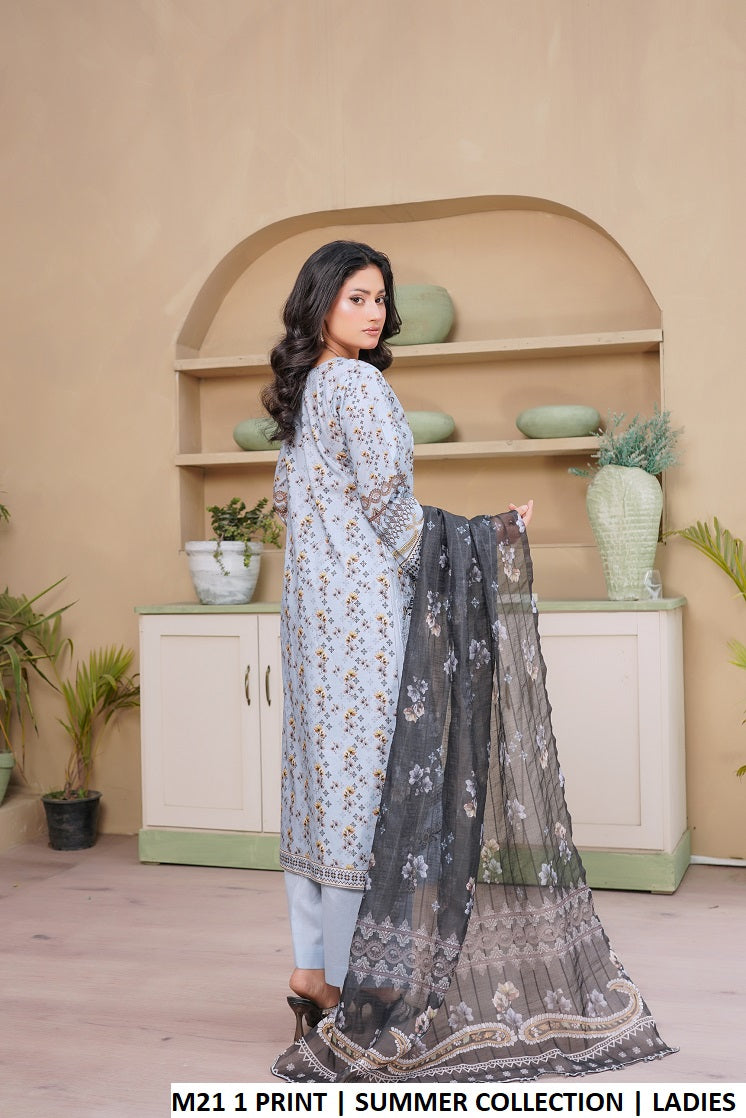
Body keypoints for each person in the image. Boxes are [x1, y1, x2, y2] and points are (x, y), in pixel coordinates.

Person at [262, 239, 534, 1038]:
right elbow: (388, 509)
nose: (374, 312)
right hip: (365, 622)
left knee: (320, 790)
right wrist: (487, 542)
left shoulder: (305, 394)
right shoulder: (356, 384)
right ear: (319, 303)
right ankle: (359, 985)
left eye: (381, 298)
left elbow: (291, 508)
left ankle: (311, 972)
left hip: (310, 621)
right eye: (357, 297)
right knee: (362, 798)